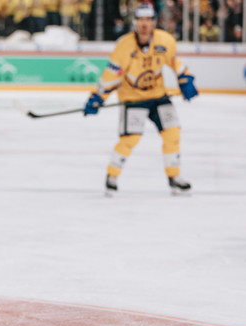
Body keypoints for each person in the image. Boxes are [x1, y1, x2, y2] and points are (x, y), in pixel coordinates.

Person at [83, 2, 198, 196]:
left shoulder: (165, 40)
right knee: (130, 139)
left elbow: (175, 63)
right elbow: (111, 76)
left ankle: (174, 177)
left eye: (148, 20)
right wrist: (97, 97)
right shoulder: (124, 46)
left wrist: (184, 79)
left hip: (158, 95)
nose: (144, 24)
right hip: (133, 98)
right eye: (140, 20)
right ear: (135, 22)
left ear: (154, 22)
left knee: (172, 133)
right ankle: (112, 176)